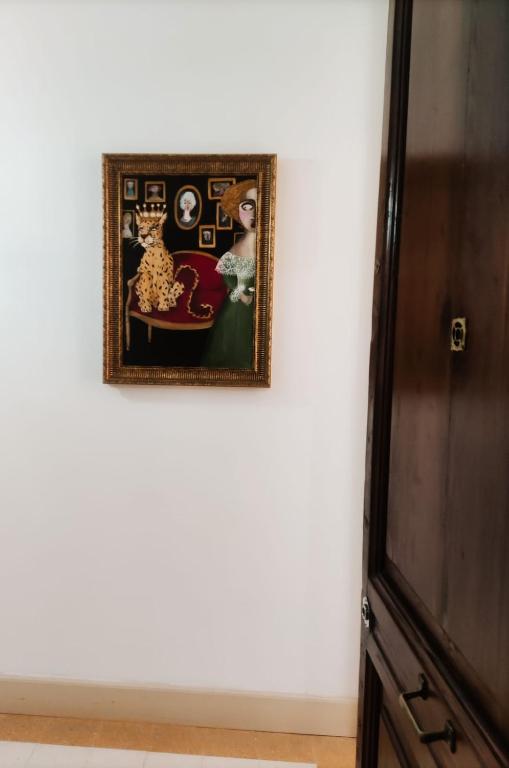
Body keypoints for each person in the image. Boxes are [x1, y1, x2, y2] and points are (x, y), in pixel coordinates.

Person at [202, 179, 257, 369]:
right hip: (238, 306)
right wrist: (240, 291)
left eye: (260, 206)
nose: (254, 213)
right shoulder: (237, 248)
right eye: (247, 207)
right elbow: (225, 271)